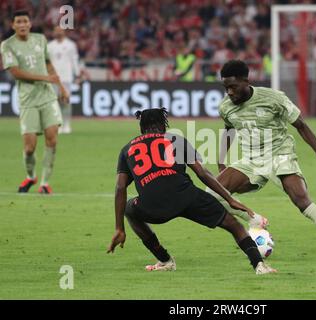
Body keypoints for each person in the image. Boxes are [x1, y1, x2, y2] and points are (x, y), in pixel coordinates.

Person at [207, 60, 316, 261]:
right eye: (225, 87)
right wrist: (222, 161)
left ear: (246, 81)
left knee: (302, 201)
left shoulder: (273, 98)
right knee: (212, 194)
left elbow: (301, 125)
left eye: (233, 87)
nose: (229, 92)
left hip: (280, 155)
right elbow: (228, 130)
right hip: (250, 160)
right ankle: (254, 219)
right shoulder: (226, 107)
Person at [107, 108, 276, 275]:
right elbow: (202, 173)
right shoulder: (176, 140)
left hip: (153, 205)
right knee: (234, 226)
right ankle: (259, 265)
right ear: (163, 125)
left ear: (141, 128)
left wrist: (119, 228)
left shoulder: (127, 149)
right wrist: (229, 199)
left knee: (130, 209)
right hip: (187, 197)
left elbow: (121, 187)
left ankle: (165, 260)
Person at [0, 10, 69, 194]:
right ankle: (31, 177)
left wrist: (61, 87)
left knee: (52, 139)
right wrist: (45, 79)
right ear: (13, 25)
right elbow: (15, 72)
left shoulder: (40, 39)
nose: (22, 25)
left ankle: (45, 184)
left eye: (25, 21)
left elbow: (48, 65)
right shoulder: (7, 46)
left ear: (30, 24)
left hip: (47, 97)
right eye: (18, 22)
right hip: (27, 100)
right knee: (29, 148)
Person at [48, 26, 80, 134]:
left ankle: (67, 124)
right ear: (54, 32)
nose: (58, 32)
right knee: (55, 102)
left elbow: (74, 60)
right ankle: (58, 124)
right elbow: (47, 62)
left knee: (65, 101)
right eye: (56, 30)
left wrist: (77, 74)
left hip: (66, 77)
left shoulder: (70, 45)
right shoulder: (50, 46)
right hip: (53, 78)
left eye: (60, 30)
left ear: (64, 32)